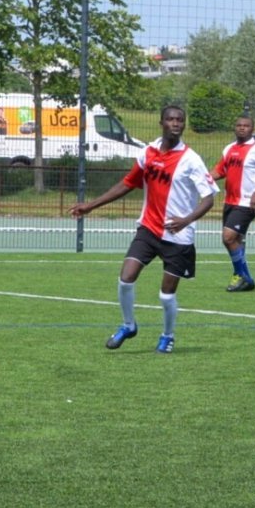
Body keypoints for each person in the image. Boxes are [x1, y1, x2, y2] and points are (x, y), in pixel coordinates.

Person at [68, 105, 217, 354]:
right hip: (148, 229)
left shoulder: (191, 160)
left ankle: (168, 336)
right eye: (170, 119)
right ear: (161, 122)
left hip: (177, 235)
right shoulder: (147, 152)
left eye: (180, 120)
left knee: (166, 296)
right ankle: (129, 325)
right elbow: (128, 183)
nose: (175, 123)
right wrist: (90, 206)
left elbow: (209, 198)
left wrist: (186, 220)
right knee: (126, 278)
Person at [212, 115, 255, 292]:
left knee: (228, 238)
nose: (242, 128)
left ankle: (241, 275)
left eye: (246, 126)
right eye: (239, 125)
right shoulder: (229, 149)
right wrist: (199, 178)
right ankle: (246, 278)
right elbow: (220, 171)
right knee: (237, 240)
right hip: (230, 201)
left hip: (247, 203)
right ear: (234, 128)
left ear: (252, 129)